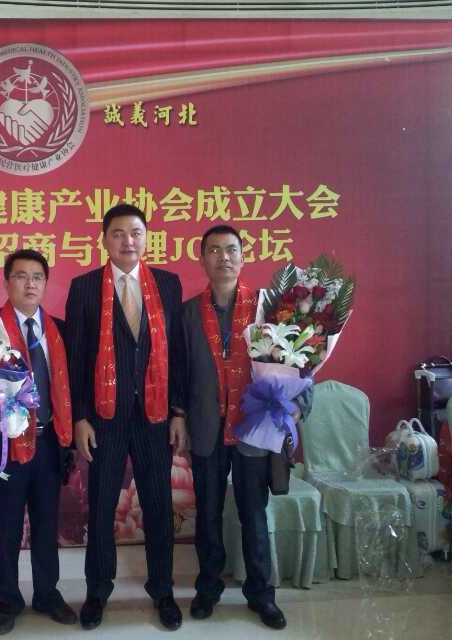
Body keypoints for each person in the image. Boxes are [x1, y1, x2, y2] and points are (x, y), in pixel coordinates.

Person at [178, 224, 312, 631]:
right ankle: (208, 587)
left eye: (231, 249)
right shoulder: (187, 312)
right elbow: (178, 371)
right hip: (206, 426)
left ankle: (261, 594)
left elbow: (301, 360)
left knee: (254, 513)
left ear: (243, 256)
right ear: (202, 259)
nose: (224, 257)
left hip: (256, 426)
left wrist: (298, 407)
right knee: (208, 513)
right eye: (214, 250)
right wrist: (178, 414)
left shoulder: (268, 308)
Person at [65, 204, 186, 631]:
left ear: (146, 237)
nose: (127, 241)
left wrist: (178, 412)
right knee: (101, 508)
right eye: (118, 233)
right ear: (104, 240)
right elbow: (76, 359)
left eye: (135, 232)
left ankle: (163, 591)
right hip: (104, 418)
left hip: (155, 417)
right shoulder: (84, 288)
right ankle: (97, 592)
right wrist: (80, 418)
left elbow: (178, 353)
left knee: (158, 506)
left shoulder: (168, 284)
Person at [0, 249, 76, 636]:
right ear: (6, 282)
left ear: (46, 284)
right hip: (5, 445)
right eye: (21, 276)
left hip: (50, 444)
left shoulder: (59, 330)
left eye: (37, 277)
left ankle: (47, 595)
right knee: (6, 528)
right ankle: (6, 602)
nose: (30, 284)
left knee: (46, 525)